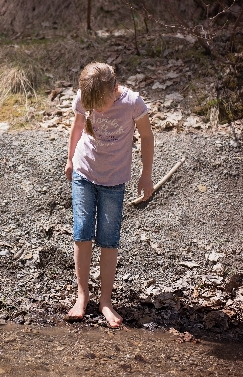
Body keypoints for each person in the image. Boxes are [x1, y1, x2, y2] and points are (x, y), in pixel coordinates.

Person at [64, 62, 154, 328]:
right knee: (82, 232)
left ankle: (105, 300)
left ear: (115, 89)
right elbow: (77, 127)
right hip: (84, 171)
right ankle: (82, 295)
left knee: (108, 239)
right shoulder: (86, 96)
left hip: (114, 180)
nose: (97, 110)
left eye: (100, 105)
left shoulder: (133, 103)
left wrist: (146, 174)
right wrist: (70, 159)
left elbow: (147, 136)